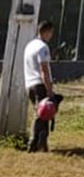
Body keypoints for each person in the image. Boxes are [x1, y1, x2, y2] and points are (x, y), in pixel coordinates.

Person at [23, 20, 55, 153]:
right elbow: (44, 69)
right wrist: (49, 88)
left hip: (29, 83)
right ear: (46, 32)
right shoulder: (43, 47)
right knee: (42, 114)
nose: (51, 36)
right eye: (51, 33)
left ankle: (42, 144)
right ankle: (34, 143)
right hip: (39, 84)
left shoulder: (30, 45)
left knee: (42, 114)